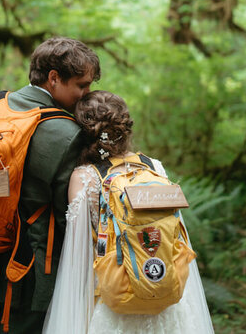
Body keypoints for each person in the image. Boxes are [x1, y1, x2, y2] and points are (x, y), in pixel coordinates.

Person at [0, 37, 100, 334]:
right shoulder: (68, 132)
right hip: (30, 267)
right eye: (82, 85)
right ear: (54, 78)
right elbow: (66, 214)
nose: (87, 94)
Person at [43, 90, 215, 333]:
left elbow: (77, 256)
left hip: (114, 297)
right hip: (164, 294)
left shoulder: (85, 177)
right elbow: (176, 237)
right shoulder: (154, 167)